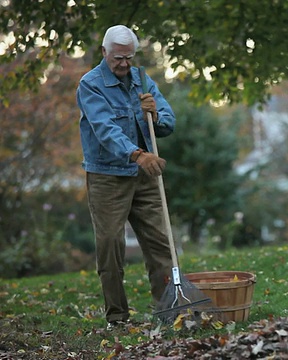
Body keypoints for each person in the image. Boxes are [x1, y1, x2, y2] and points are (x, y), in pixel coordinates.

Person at [76, 25, 175, 329]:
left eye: (129, 58)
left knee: (161, 243)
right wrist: (138, 154)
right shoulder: (90, 85)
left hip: (144, 177)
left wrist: (155, 114)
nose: (123, 64)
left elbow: (169, 123)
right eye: (118, 58)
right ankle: (117, 317)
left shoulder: (142, 81)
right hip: (108, 176)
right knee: (110, 245)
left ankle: (169, 312)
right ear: (105, 53)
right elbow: (106, 130)